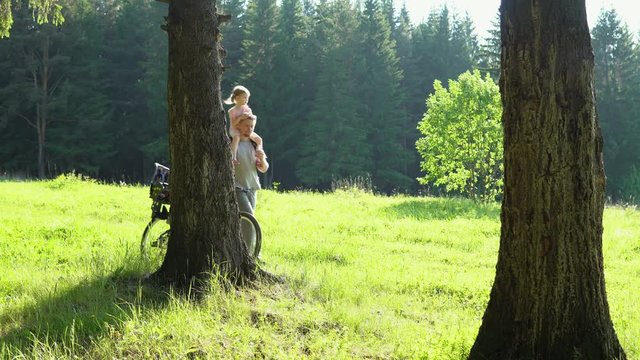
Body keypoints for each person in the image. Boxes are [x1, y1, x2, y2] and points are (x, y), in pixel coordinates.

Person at [234, 115, 268, 254]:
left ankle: (247, 253)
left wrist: (261, 158)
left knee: (246, 222)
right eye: (247, 125)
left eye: (252, 126)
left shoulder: (255, 145)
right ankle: (251, 255)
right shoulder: (233, 143)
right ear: (239, 126)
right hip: (237, 187)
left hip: (252, 188)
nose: (249, 129)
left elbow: (264, 168)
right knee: (249, 220)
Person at [224, 85, 264, 164]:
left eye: (247, 98)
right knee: (236, 138)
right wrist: (240, 118)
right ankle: (233, 157)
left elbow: (252, 120)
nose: (247, 100)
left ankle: (259, 154)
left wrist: (250, 117)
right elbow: (233, 124)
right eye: (245, 97)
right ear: (237, 98)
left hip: (246, 130)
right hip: (235, 129)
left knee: (259, 139)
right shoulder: (232, 111)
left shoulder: (247, 109)